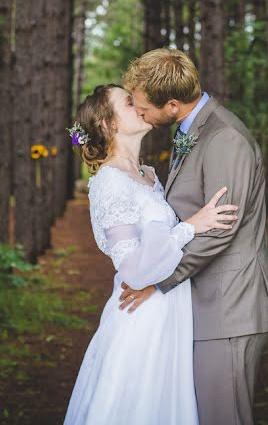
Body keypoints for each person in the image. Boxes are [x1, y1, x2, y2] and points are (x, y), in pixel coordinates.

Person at [119, 48, 268, 425]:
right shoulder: (193, 130)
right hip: (206, 305)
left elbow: (220, 230)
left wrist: (158, 281)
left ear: (173, 104)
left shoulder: (225, 138)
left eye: (144, 108)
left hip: (229, 307)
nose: (140, 113)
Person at [64, 83, 238, 425]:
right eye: (129, 103)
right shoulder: (110, 182)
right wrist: (191, 226)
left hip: (169, 307)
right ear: (108, 123)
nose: (140, 104)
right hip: (143, 316)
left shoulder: (147, 176)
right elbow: (134, 269)